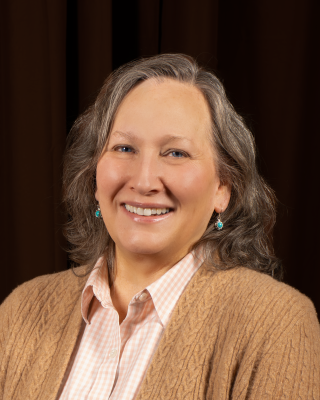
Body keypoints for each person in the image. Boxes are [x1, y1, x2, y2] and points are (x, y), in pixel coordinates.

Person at [0, 54, 319, 400]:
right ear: (93, 175)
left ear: (223, 187)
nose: (144, 180)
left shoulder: (277, 323)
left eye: (176, 153)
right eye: (124, 148)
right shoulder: (20, 311)